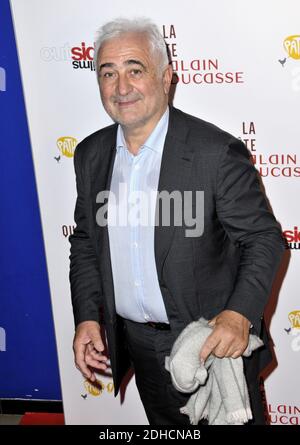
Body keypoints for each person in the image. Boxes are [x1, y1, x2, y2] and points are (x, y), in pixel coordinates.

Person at [69, 17, 285, 425]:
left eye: (135, 70)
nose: (121, 87)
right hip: (141, 351)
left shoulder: (215, 152)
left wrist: (239, 314)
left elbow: (263, 239)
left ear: (166, 77)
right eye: (108, 73)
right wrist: (87, 316)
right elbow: (84, 241)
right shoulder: (91, 155)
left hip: (212, 349)